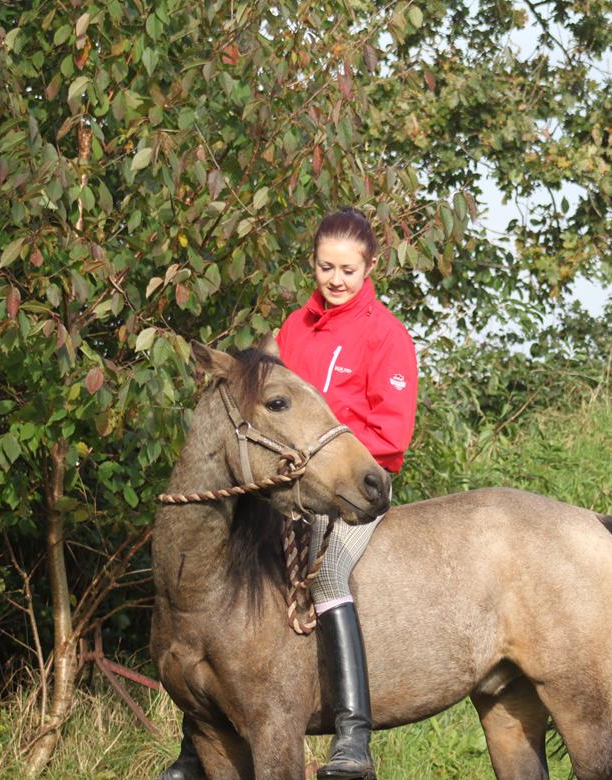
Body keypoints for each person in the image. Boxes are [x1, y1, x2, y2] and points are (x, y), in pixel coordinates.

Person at [160, 207, 418, 780]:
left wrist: (328, 461)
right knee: (215, 579)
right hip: (293, 484)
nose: (336, 279)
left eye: (349, 269)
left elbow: (393, 433)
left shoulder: (385, 334)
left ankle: (352, 737)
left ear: (370, 267)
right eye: (327, 266)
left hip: (350, 485)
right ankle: (194, 743)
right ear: (314, 264)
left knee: (326, 575)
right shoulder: (293, 329)